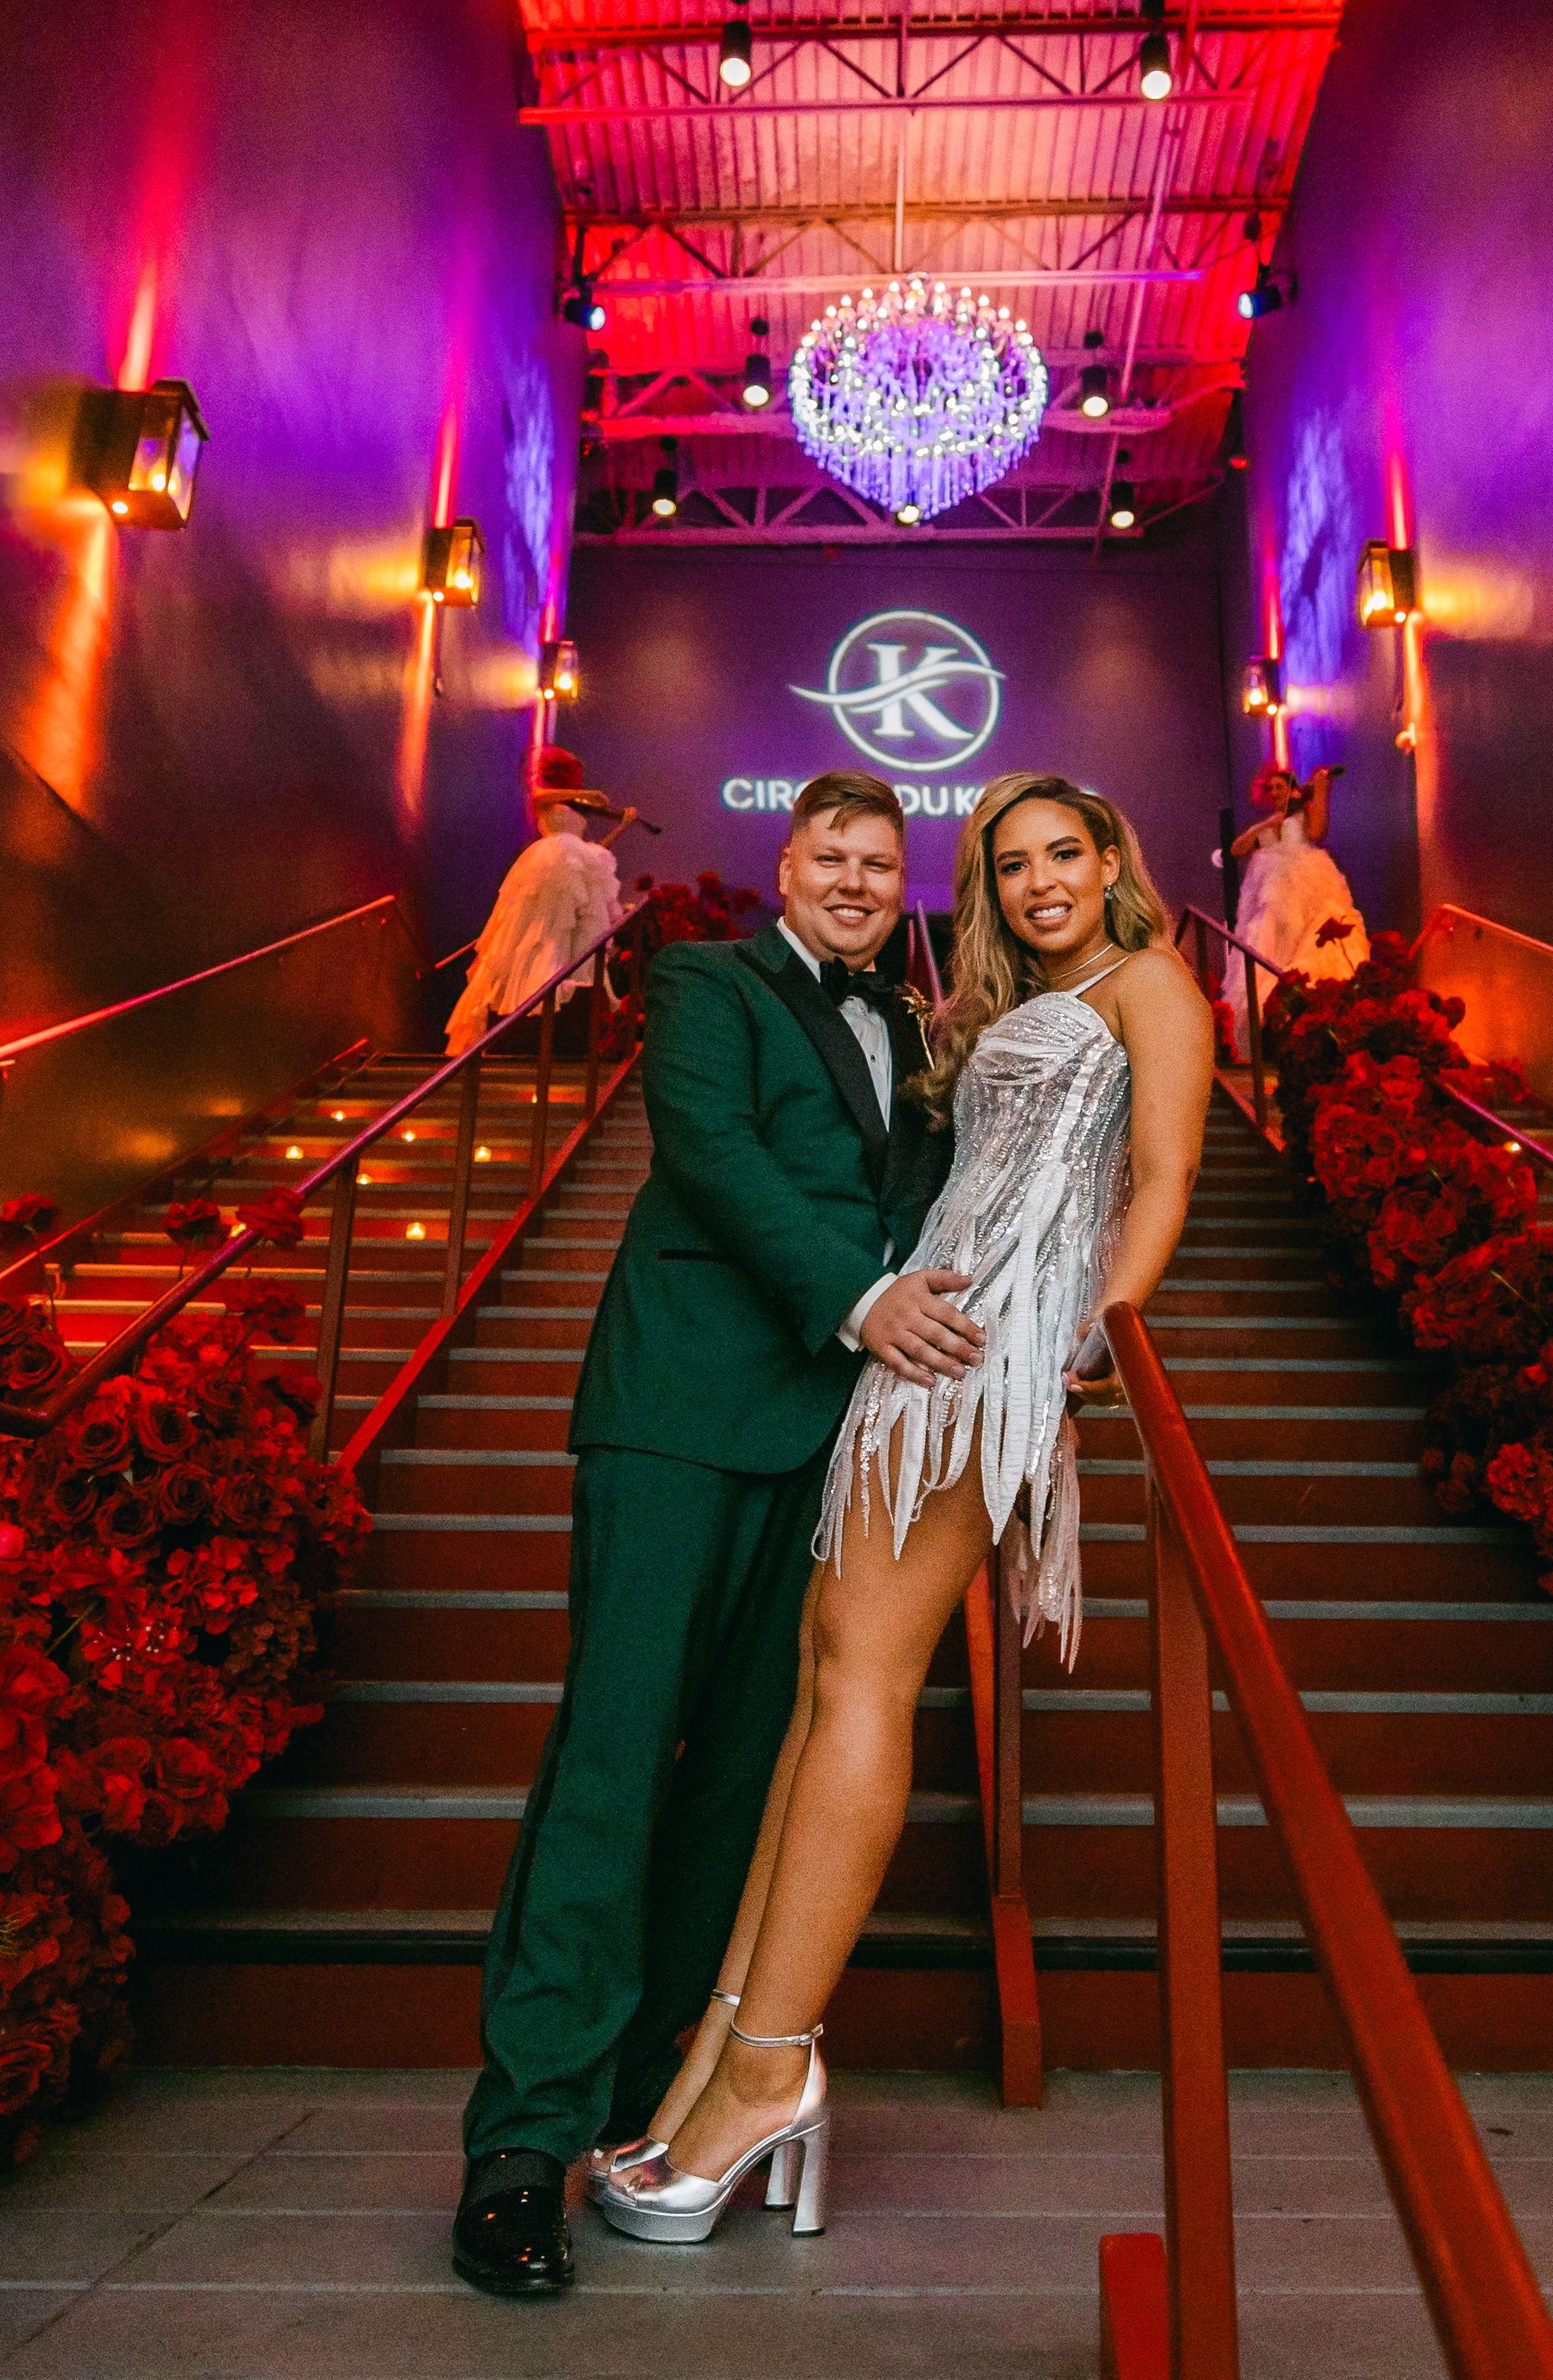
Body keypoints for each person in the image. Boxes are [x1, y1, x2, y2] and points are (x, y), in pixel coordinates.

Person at [597, 770, 1211, 2245]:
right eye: (1010, 864)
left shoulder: (1153, 983)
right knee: (826, 1678)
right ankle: (715, 2059)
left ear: (1112, 858)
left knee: (864, 1674)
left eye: (1064, 852)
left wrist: (1094, 1340)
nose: (1040, 880)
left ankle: (766, 2071)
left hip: (1001, 1346)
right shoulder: (1012, 1002)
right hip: (921, 1326)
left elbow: (1166, 1173)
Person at [451, 769, 966, 2297]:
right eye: (832, 856)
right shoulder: (702, 981)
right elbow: (713, 1155)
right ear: (786, 865)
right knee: (613, 1761)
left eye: (881, 861)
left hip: (827, 1446)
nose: (856, 881)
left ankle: (636, 2104)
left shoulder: (917, 1031)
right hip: (675, 1410)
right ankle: (518, 2147)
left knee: (743, 1783)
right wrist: (863, 1299)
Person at [442, 743, 633, 1053]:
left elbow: (593, 852)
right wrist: (584, 795)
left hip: (573, 864)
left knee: (573, 936)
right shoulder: (547, 796)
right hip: (550, 862)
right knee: (537, 934)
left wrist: (622, 827)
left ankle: (560, 1019)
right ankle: (523, 1018)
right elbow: (539, 796)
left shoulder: (573, 808)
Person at [1224, 758, 1365, 1034]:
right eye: (1272, 788)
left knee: (1307, 935)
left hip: (1302, 882)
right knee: (1267, 939)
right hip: (1270, 892)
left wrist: (1321, 790)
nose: (1276, 792)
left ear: (1291, 789)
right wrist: (1262, 827)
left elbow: (1316, 831)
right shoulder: (1267, 823)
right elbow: (1236, 850)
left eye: (1280, 787)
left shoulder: (1302, 812)